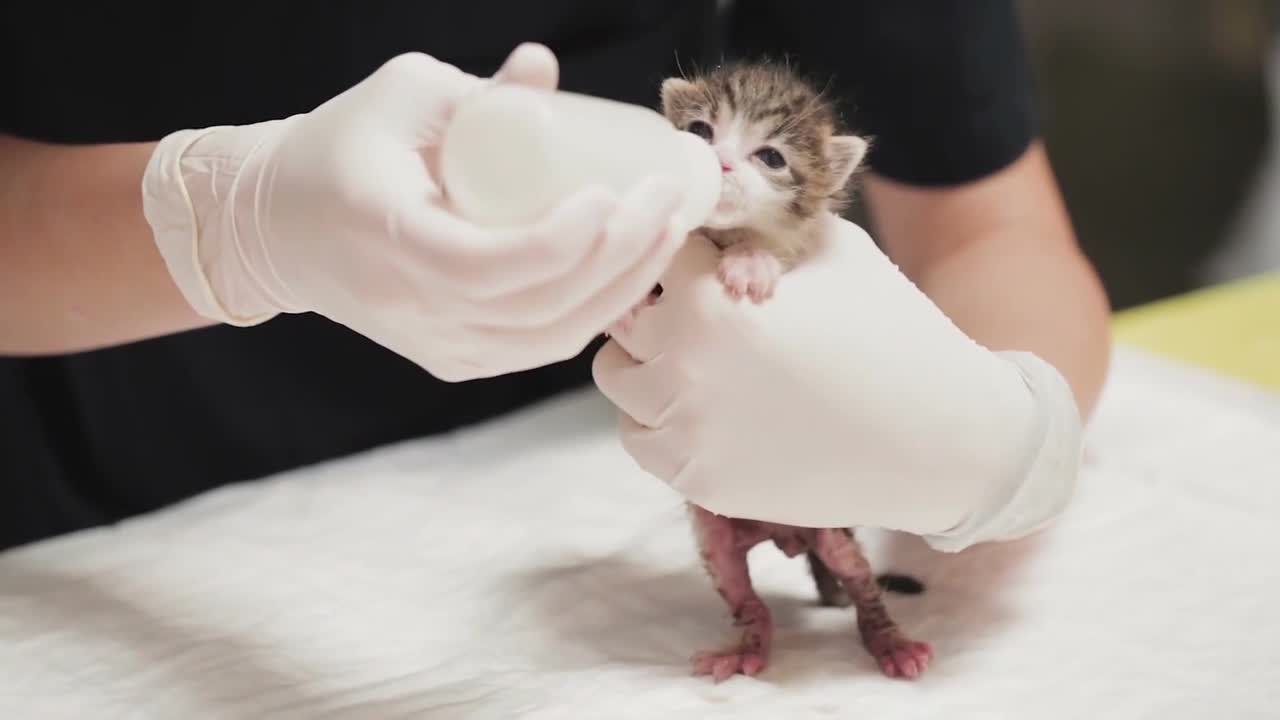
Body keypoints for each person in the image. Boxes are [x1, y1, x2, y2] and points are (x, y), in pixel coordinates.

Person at [0, 2, 1110, 552]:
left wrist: (1000, 435)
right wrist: (230, 219)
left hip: (579, 502)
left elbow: (984, 227)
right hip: (92, 517)